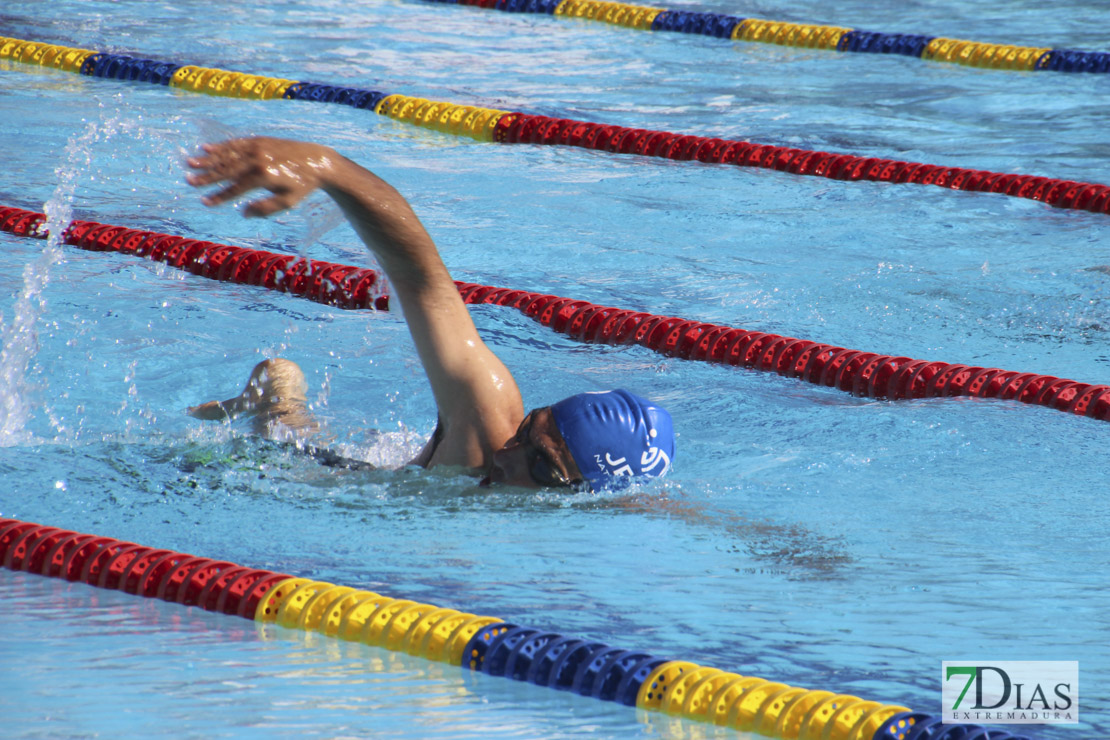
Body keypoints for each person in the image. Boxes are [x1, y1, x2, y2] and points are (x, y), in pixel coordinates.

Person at [184, 137, 674, 490]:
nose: (506, 453)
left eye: (543, 466)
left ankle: (282, 394)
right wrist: (326, 166)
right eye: (527, 429)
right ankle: (278, 397)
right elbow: (425, 283)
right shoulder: (487, 429)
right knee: (294, 454)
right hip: (338, 484)